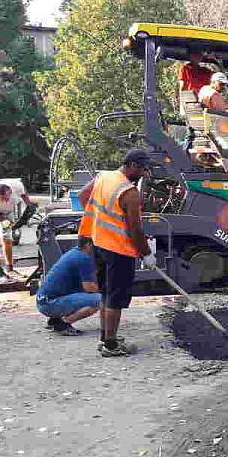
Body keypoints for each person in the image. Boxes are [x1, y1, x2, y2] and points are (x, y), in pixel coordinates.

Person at [77, 149, 156, 357]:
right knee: (115, 298)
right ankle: (111, 346)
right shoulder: (130, 193)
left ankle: (105, 338)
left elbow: (82, 195)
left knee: (105, 292)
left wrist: (99, 221)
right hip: (118, 250)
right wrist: (146, 253)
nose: (145, 175)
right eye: (143, 170)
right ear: (131, 165)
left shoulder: (104, 177)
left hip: (98, 243)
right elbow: (135, 230)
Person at [36, 236, 102, 336]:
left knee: (83, 292)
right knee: (103, 300)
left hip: (43, 301)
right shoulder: (84, 258)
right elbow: (89, 287)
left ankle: (55, 320)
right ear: (89, 244)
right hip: (49, 304)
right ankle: (63, 324)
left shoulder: (74, 252)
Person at [0, 179, 35, 282]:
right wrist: (0, 218)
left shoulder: (17, 186)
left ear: (10, 191)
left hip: (9, 211)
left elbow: (24, 195)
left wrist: (29, 206)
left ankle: (10, 268)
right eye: (1, 199)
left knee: (7, 238)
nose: (5, 200)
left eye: (6, 198)